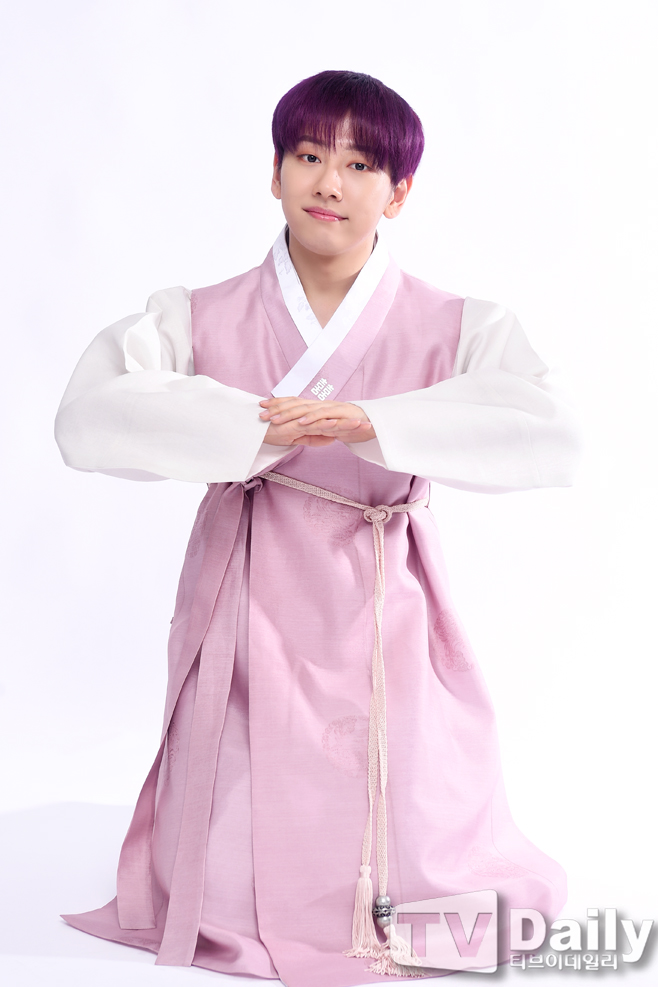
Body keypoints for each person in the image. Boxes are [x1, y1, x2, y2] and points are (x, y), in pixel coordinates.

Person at [55, 70, 581, 986]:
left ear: (399, 192)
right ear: (275, 173)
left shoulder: (458, 324)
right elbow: (90, 414)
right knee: (240, 775)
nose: (328, 183)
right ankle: (232, 901)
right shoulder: (196, 313)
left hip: (383, 584)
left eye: (360, 165)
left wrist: (375, 420)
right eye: (307, 156)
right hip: (245, 582)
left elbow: (549, 432)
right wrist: (253, 423)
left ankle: (388, 898)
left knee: (405, 770)